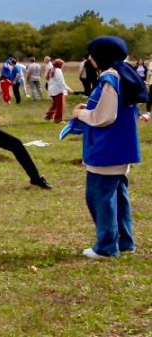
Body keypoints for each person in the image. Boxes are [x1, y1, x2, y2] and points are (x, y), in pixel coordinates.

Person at [66, 36, 146, 258]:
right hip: (121, 147)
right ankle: (124, 242)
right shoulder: (125, 73)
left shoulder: (110, 78)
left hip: (107, 149)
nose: (89, 58)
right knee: (118, 197)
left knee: (99, 199)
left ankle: (106, 247)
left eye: (91, 54)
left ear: (100, 56)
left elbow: (105, 117)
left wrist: (80, 113)